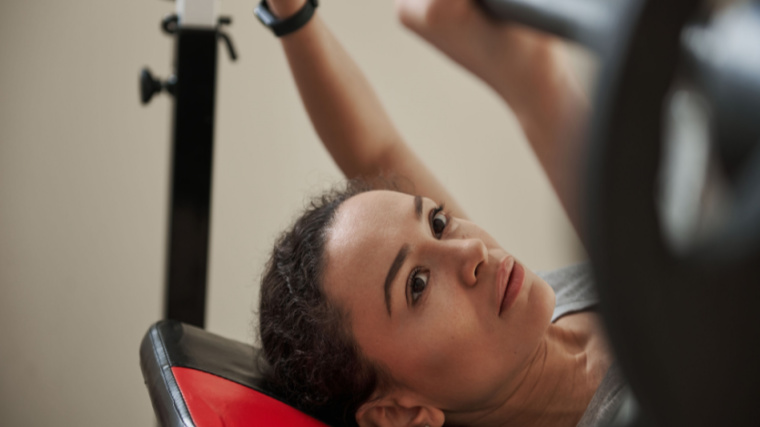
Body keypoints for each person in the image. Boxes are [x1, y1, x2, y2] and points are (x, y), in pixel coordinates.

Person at [256, 1, 624, 426]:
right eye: (417, 285)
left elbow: (378, 151)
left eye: (437, 223)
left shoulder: (523, 319)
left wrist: (293, 13)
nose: (470, 251)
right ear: (399, 411)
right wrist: (532, 77)